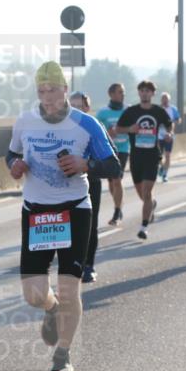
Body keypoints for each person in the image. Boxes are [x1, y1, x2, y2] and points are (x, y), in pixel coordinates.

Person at [7, 62, 120, 371]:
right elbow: (11, 154)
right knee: (33, 293)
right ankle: (51, 308)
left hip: (74, 210)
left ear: (65, 90)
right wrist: (15, 165)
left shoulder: (86, 124)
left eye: (53, 90)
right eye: (41, 91)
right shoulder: (25, 121)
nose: (47, 97)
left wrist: (86, 164)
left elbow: (114, 165)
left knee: (71, 289)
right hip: (36, 212)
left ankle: (63, 354)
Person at [113, 81, 173, 240]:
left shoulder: (158, 111)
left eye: (148, 91)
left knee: (147, 193)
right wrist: (129, 129)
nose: (145, 93)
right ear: (139, 93)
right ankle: (151, 205)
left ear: (153, 94)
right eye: (142, 91)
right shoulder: (131, 112)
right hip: (136, 157)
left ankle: (144, 226)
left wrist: (168, 133)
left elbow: (169, 125)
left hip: (152, 156)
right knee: (142, 194)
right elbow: (118, 129)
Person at [70, 91, 102, 283]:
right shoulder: (59, 129)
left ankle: (88, 265)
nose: (75, 111)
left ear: (87, 108)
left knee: (90, 225)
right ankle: (72, 266)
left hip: (90, 182)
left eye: (80, 107)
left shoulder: (95, 129)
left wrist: (87, 164)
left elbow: (107, 160)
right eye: (72, 107)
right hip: (66, 184)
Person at [96, 83, 129, 226]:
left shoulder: (129, 110)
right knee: (111, 182)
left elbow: (135, 128)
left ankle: (117, 211)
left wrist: (123, 130)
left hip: (123, 149)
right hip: (108, 150)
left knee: (117, 179)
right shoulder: (103, 113)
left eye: (123, 92)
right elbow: (97, 131)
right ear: (111, 94)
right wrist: (108, 133)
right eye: (120, 92)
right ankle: (119, 205)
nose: (123, 94)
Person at [159, 92, 181, 182]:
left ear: (169, 99)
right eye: (163, 99)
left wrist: (172, 123)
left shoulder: (173, 109)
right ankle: (162, 167)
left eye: (166, 99)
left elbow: (178, 119)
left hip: (169, 135)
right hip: (159, 136)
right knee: (158, 156)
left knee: (167, 155)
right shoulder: (158, 109)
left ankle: (165, 174)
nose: (165, 100)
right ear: (161, 100)